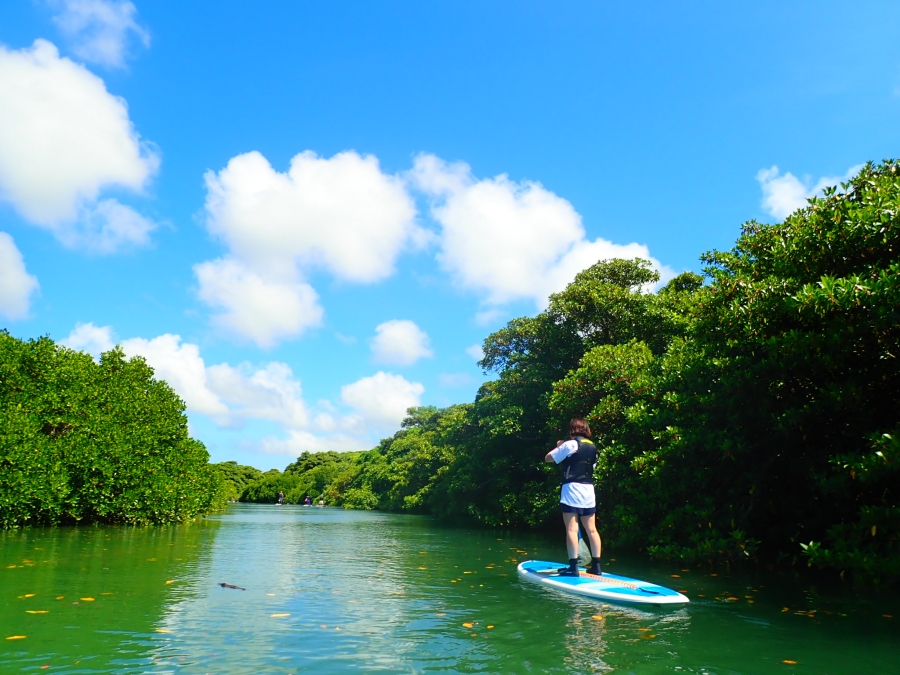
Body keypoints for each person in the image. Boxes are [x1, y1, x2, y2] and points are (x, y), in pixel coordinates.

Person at [544, 418, 603, 576]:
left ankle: (573, 567)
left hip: (572, 489)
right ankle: (596, 566)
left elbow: (548, 458)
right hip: (589, 490)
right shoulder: (593, 448)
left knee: (571, 528)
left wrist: (559, 446)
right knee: (592, 529)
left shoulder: (570, 444)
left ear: (572, 430)